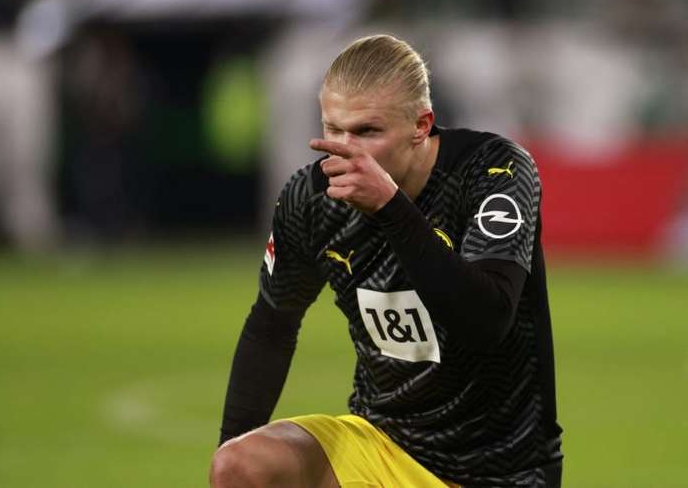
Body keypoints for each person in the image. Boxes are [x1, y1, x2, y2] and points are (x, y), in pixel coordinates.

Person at [210, 34, 563, 488]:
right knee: (238, 465)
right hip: (382, 448)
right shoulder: (312, 199)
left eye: (366, 132)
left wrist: (392, 209)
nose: (344, 150)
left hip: (502, 471)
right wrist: (231, 446)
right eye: (332, 130)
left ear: (421, 125)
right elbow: (272, 325)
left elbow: (486, 320)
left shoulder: (491, 171)